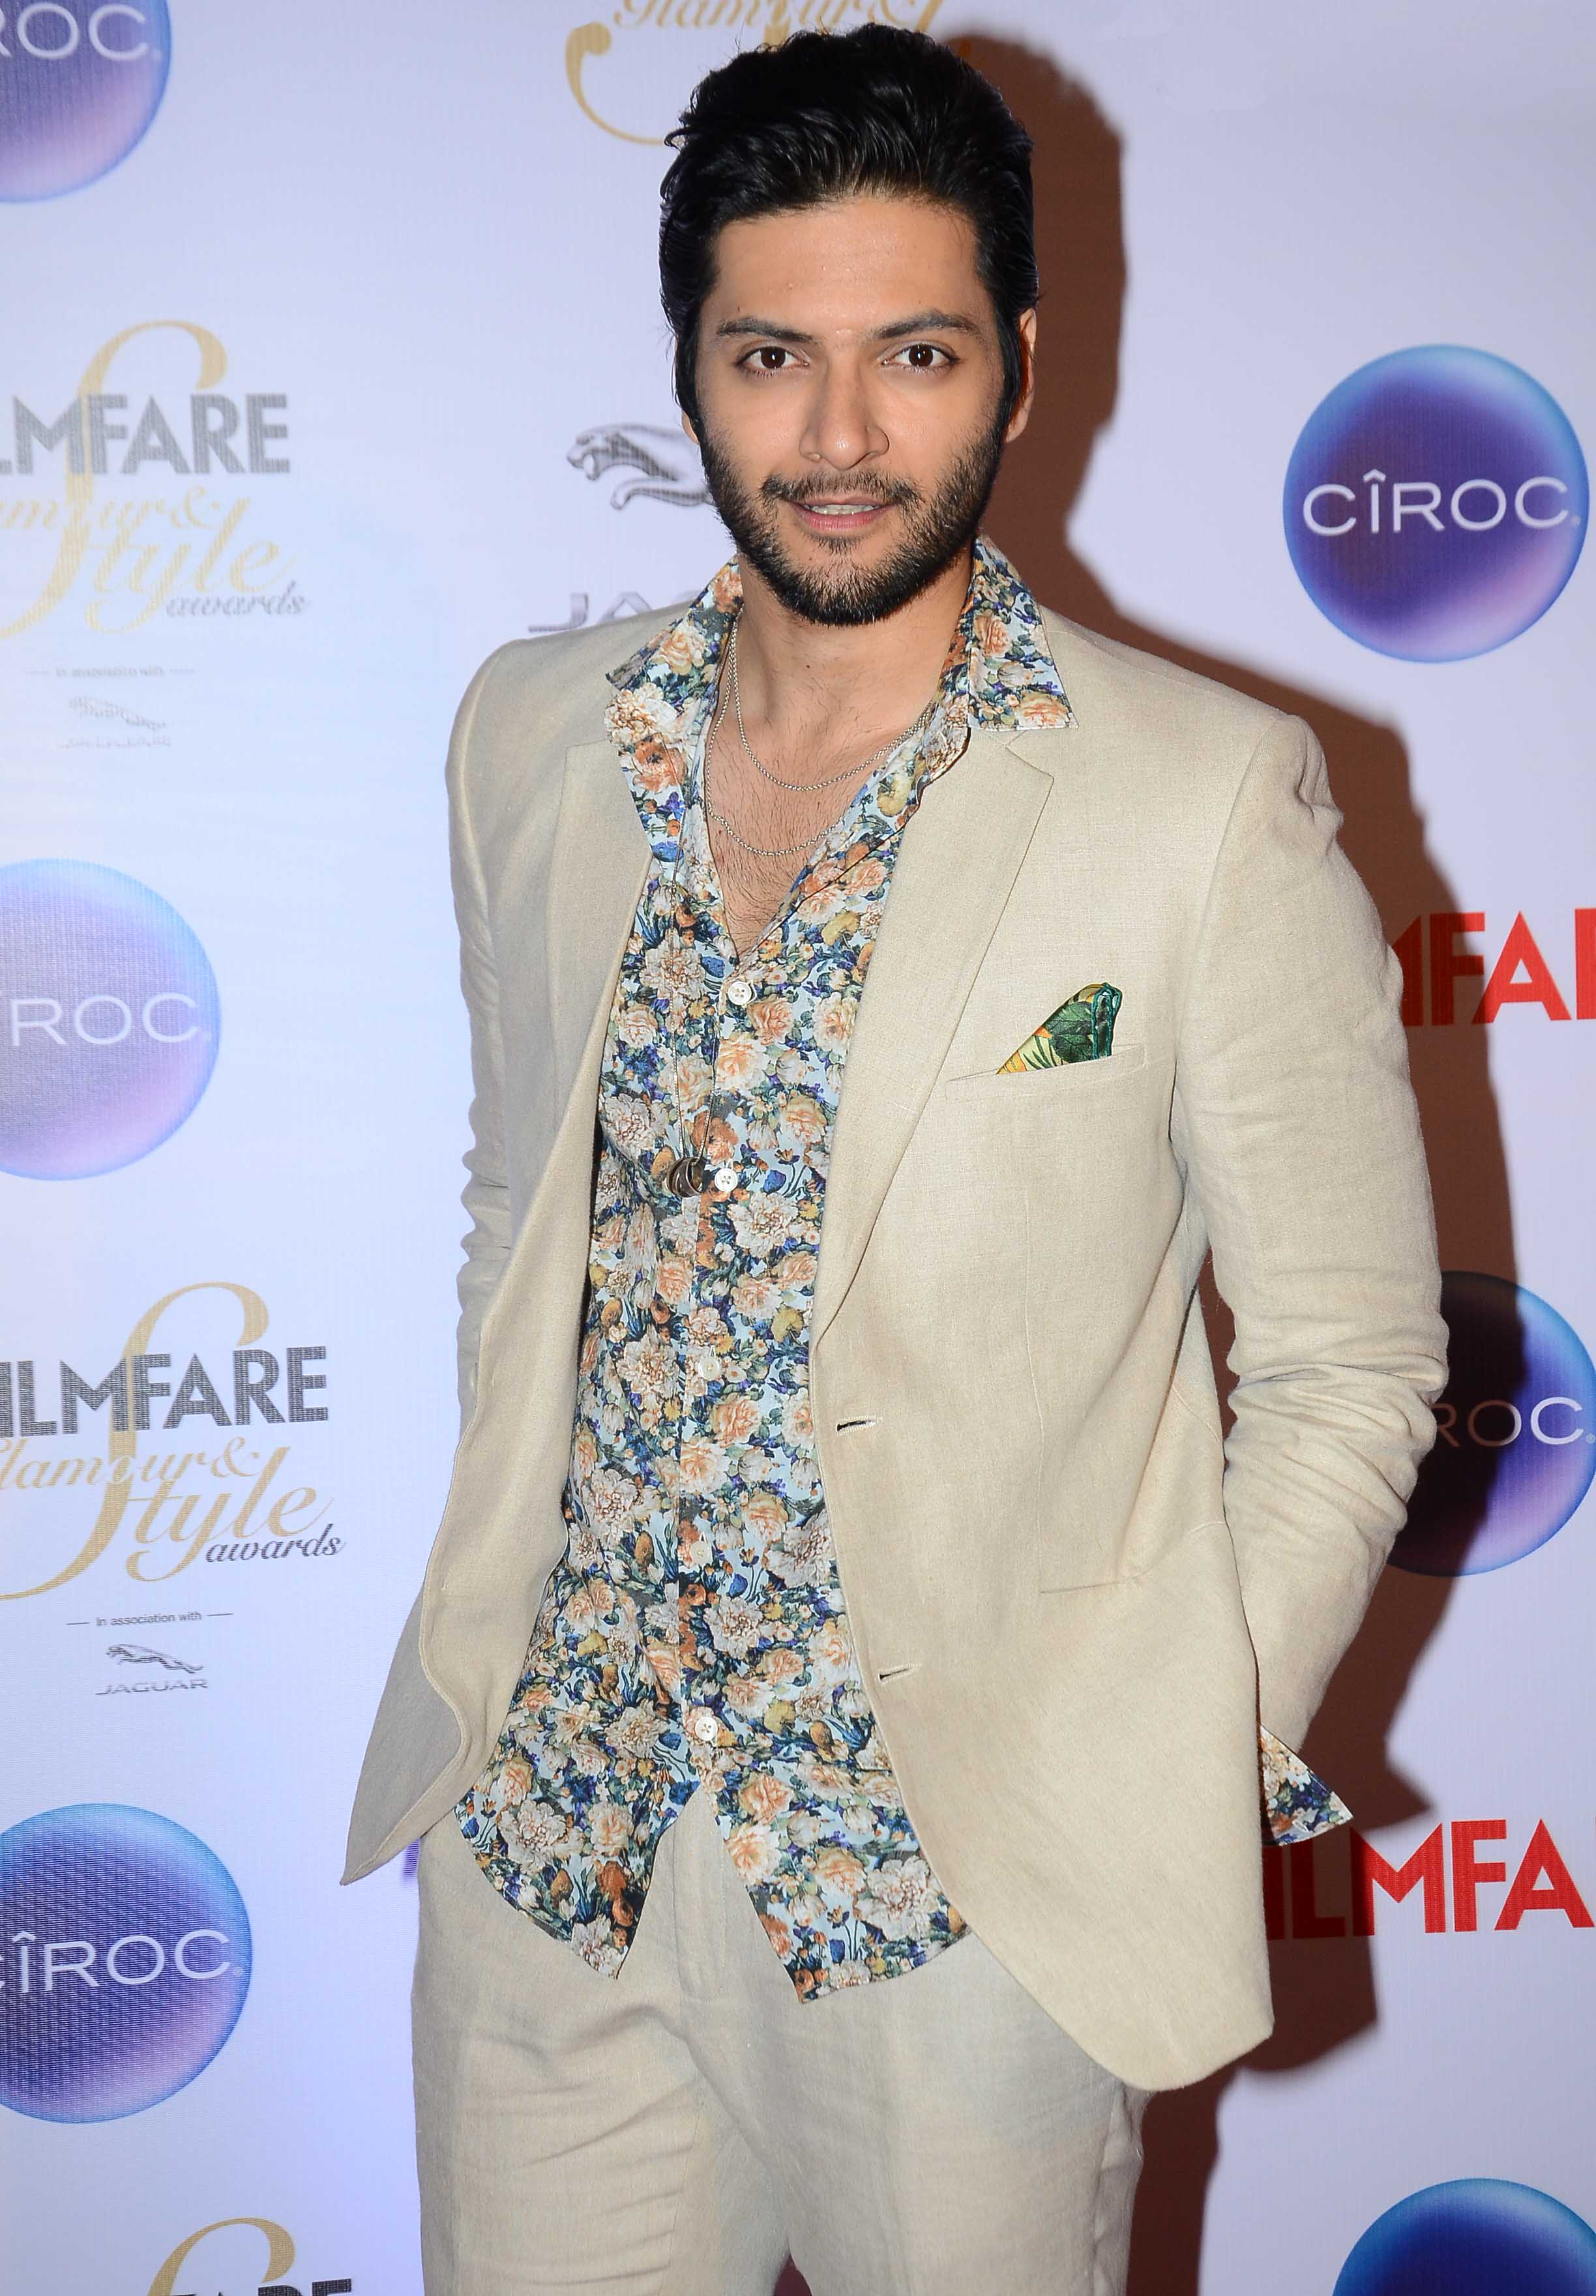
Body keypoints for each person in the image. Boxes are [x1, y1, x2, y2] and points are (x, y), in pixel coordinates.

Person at [345, 27, 1445, 2295]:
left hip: (964, 1911)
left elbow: (1350, 1361)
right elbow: (518, 1203)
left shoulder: (1202, 799)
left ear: (1018, 367)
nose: (840, 439)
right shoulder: (534, 738)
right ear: (692, 366)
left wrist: (1161, 1754)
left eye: (914, 354)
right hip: (551, 1858)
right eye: (773, 356)